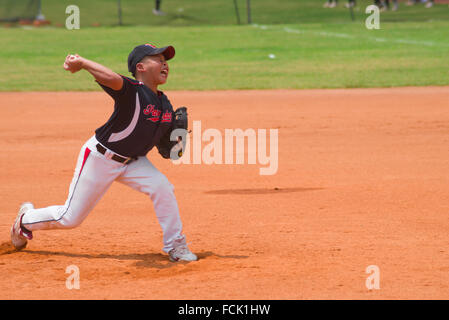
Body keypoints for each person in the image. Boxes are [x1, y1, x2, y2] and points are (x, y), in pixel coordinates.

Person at [10, 43, 198, 262]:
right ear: (141, 67)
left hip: (133, 162)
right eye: (158, 59)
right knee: (70, 218)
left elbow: (167, 147)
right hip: (101, 157)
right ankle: (25, 219)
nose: (165, 64)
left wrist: (175, 143)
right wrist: (81, 63)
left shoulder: (164, 104)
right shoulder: (131, 91)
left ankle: (175, 245)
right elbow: (109, 77)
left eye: (166, 61)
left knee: (162, 187)